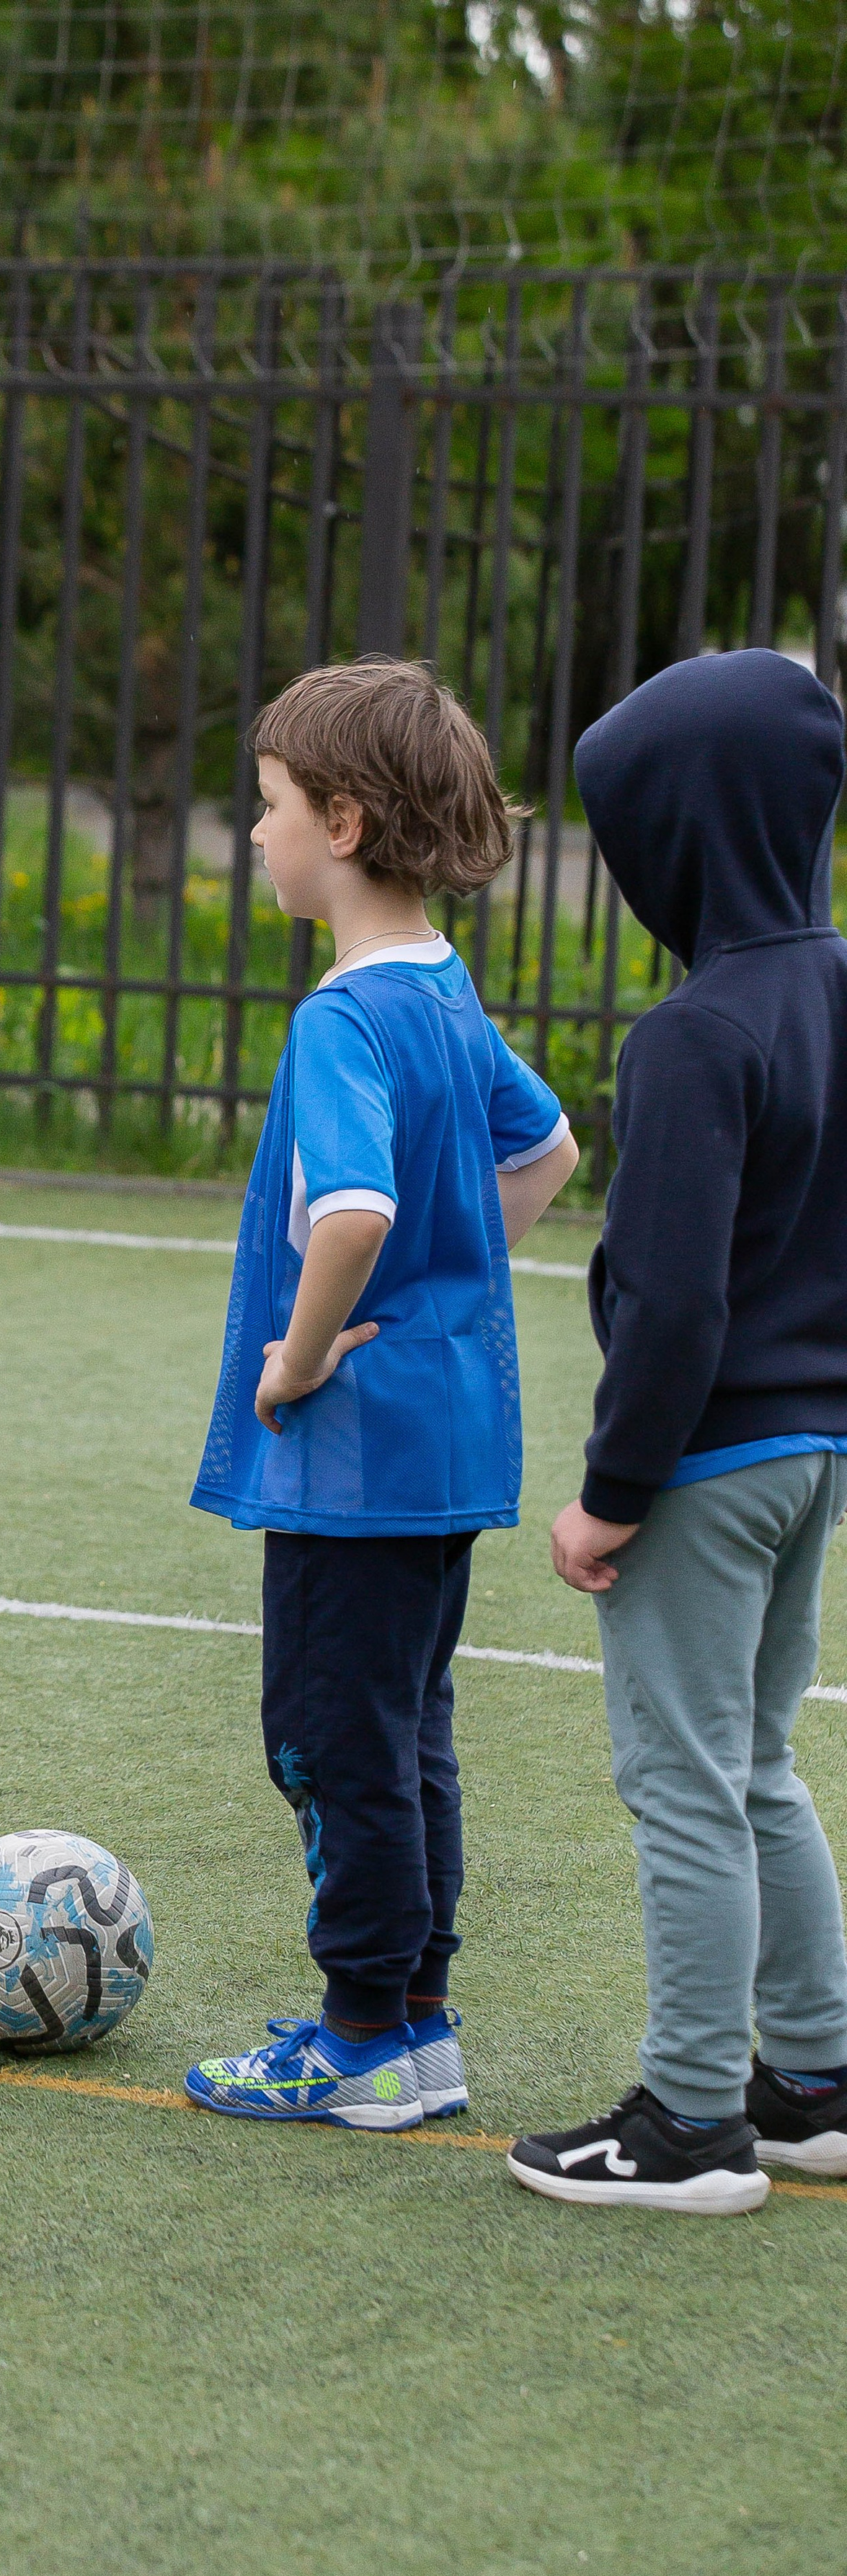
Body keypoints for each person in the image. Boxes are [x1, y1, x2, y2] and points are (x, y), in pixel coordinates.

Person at [184, 659, 579, 2128]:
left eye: (268, 806)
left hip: (354, 1452)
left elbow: (345, 1210)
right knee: (406, 1730)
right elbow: (544, 1157)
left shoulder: (340, 1019)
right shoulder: (443, 990)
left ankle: (357, 2040)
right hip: (446, 1431)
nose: (253, 833)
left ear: (341, 821)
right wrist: (443, 1280)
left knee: (327, 1733)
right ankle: (414, 2023)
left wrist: (296, 1357)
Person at [510, 649, 847, 2216]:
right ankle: (811, 2080)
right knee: (757, 1763)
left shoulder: (691, 1034)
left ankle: (692, 2121)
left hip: (702, 1470)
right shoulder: (831, 985)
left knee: (681, 1783)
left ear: (681, 836)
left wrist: (607, 1490)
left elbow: (668, 1302)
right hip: (812, 1451)